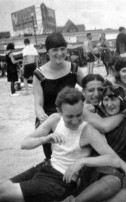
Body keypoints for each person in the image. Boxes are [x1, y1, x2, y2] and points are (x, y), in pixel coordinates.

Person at [0, 87, 126, 202]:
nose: (75, 121)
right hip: (44, 168)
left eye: (79, 115)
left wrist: (83, 161)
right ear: (59, 111)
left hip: (60, 182)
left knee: (0, 193)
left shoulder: (88, 131)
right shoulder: (54, 119)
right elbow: (24, 144)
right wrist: (44, 139)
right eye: (69, 116)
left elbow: (113, 159)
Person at [32, 32, 85, 160]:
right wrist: (43, 118)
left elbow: (88, 86)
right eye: (55, 50)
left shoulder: (73, 68)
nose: (60, 53)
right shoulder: (39, 74)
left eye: (62, 49)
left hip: (70, 114)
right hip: (49, 116)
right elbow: (38, 104)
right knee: (54, 157)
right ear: (47, 52)